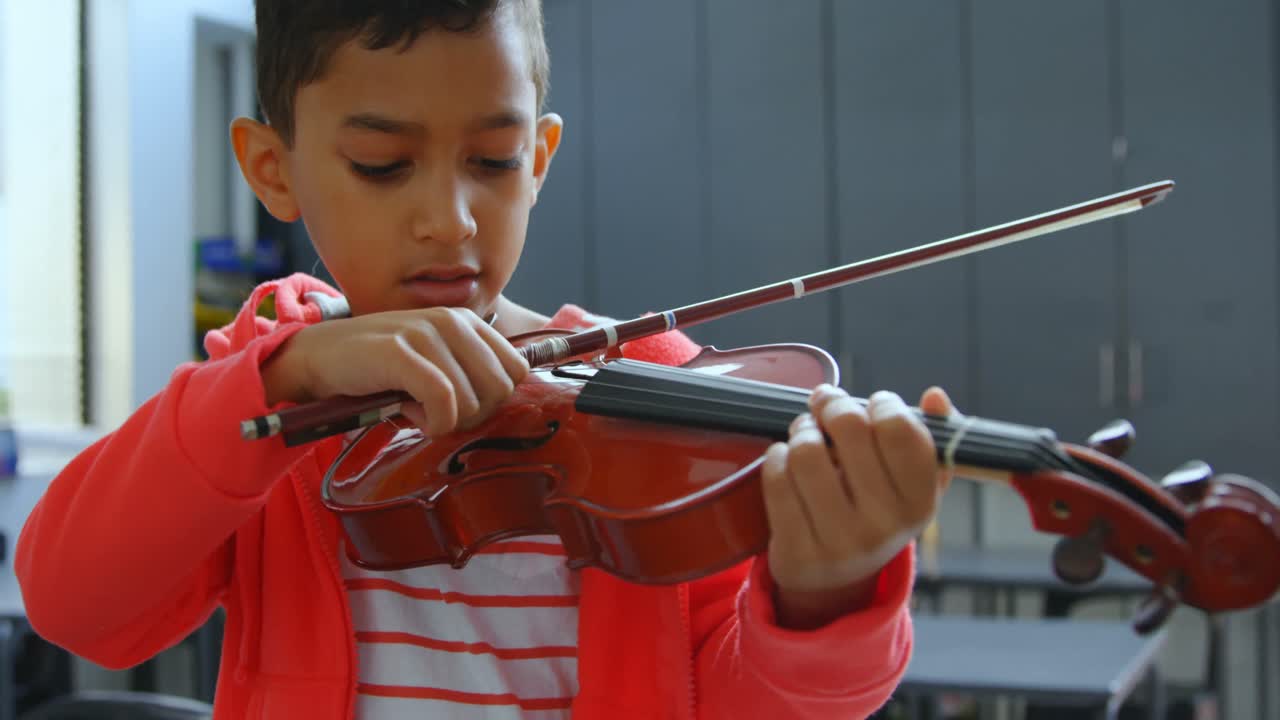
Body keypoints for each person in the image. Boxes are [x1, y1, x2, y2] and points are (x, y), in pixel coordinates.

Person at [16, 2, 956, 717]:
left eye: (495, 160)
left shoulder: (658, 407)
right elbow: (72, 602)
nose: (451, 220)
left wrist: (822, 593)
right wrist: (280, 378)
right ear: (273, 169)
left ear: (540, 157)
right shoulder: (267, 408)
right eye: (383, 166)